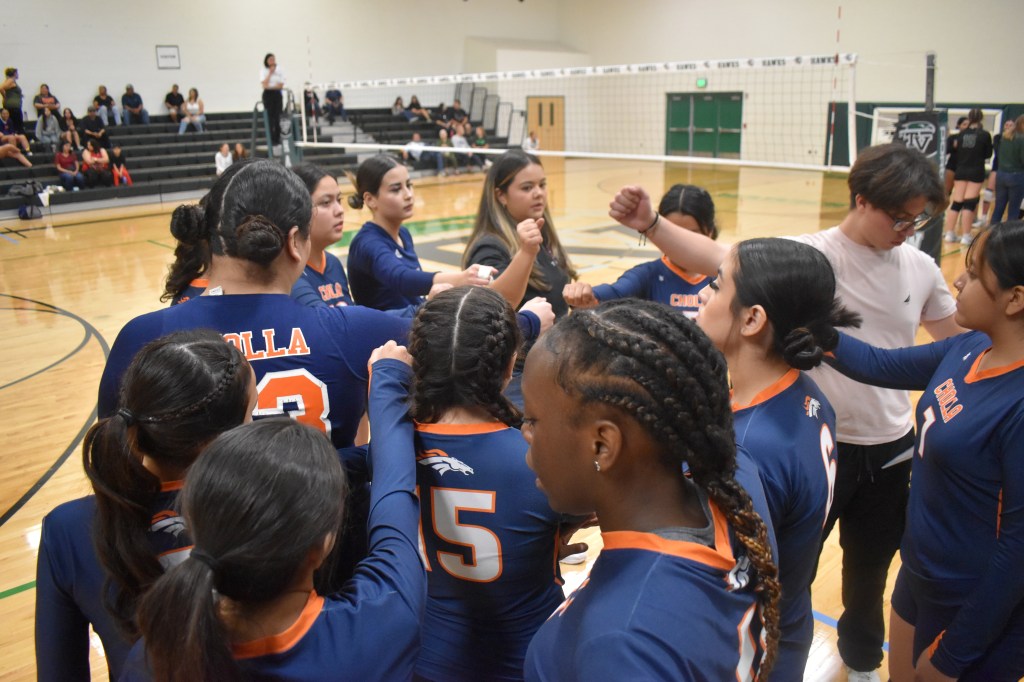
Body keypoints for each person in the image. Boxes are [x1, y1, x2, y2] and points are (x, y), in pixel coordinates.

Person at [606, 142, 963, 682]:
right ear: (863, 200)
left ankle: (861, 665)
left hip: (886, 447)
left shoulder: (920, 266)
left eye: (919, 218)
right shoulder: (807, 258)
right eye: (900, 216)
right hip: (819, 442)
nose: (908, 227)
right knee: (790, 562)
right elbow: (720, 261)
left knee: (866, 575)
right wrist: (652, 223)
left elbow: (957, 348)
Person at [520, 299, 781, 680]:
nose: (524, 434)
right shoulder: (736, 482)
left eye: (532, 420)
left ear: (602, 445)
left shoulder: (622, 646)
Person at [826, 221, 1024, 682]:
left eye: (974, 275)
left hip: (974, 605)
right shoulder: (973, 346)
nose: (958, 280)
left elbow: (1018, 548)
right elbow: (882, 364)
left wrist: (954, 656)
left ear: (1015, 298)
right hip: (919, 573)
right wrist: (823, 336)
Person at [124, 379, 425, 682]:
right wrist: (387, 376)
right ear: (321, 544)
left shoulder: (155, 655)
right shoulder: (379, 622)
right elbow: (394, 494)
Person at [35, 329, 255, 681]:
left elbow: (58, 671)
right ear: (221, 440)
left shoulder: (67, 529)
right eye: (251, 416)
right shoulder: (268, 508)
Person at [696, 238, 861, 680]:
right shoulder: (806, 393)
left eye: (715, 285)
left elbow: (725, 579)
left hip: (747, 650)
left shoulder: (748, 447)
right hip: (788, 622)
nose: (701, 296)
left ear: (752, 319)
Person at [406, 287, 564, 681]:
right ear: (511, 366)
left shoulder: (391, 451)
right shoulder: (539, 458)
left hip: (427, 658)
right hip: (526, 659)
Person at [346, 154, 489, 311]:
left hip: (413, 323)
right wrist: (459, 279)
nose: (408, 194)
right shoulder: (368, 243)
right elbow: (402, 279)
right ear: (370, 199)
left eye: (409, 185)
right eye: (396, 189)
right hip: (387, 333)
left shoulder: (403, 234)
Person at [563, 183, 718, 318]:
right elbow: (612, 293)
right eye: (674, 234)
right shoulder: (647, 276)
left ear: (710, 232)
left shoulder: (725, 277)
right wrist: (583, 296)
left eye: (692, 235)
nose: (683, 245)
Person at [464, 149, 576, 318]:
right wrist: (526, 253)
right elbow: (491, 309)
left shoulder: (540, 232)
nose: (538, 193)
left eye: (542, 185)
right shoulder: (488, 248)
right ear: (501, 195)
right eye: (527, 187)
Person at [943, 108, 992, 245]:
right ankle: (965, 235)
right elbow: (988, 154)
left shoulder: (961, 135)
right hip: (975, 171)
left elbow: (955, 150)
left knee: (956, 203)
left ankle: (949, 233)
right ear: (981, 119)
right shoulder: (984, 135)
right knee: (969, 204)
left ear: (969, 119)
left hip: (960, 170)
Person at [991, 115, 1024, 227]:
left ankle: (991, 233)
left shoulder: (1005, 137)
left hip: (1001, 174)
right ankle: (1010, 239)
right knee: (1013, 210)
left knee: (998, 207)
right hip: (1016, 175)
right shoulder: (1022, 138)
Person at [260, 53, 285, 146]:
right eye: (270, 59)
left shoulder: (279, 69)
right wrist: (270, 73)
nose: (272, 61)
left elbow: (281, 85)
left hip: (277, 95)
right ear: (266, 61)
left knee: (278, 117)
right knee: (270, 118)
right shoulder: (263, 70)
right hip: (268, 95)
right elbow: (264, 85)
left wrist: (271, 86)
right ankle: (271, 139)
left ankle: (277, 138)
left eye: (273, 59)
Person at [943, 117, 968, 198]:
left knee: (963, 194)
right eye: (964, 124)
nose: (966, 126)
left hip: (965, 167)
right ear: (959, 125)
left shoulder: (972, 139)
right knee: (946, 191)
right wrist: (953, 147)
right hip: (952, 166)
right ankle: (943, 209)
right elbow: (945, 151)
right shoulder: (953, 137)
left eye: (968, 124)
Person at [0, 67, 25, 134]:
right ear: (14, 74)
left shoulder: (11, 81)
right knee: (17, 126)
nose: (18, 74)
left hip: (13, 106)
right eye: (17, 73)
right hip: (13, 107)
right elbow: (1, 88)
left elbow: (11, 91)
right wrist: (4, 96)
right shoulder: (11, 80)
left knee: (16, 125)